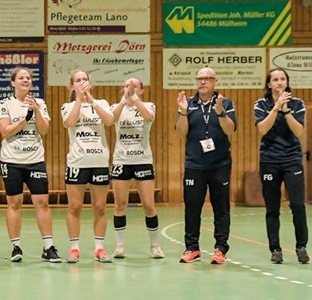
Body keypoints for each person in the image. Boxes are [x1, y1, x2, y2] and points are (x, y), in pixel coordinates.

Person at [0, 67, 62, 263]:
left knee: (42, 202)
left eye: (28, 78)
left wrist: (36, 111)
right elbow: (5, 131)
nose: (25, 80)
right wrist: (25, 119)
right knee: (14, 203)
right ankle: (15, 247)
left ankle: (48, 247)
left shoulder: (39, 102)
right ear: (13, 83)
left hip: (35, 160)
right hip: (12, 161)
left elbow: (44, 130)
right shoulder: (5, 104)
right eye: (21, 78)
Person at [175, 66, 236, 264]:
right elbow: (181, 132)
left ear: (215, 81)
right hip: (195, 164)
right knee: (192, 208)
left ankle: (221, 248)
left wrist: (221, 113)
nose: (203, 82)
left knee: (221, 207)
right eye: (200, 78)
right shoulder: (188, 103)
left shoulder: (225, 103)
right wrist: (183, 112)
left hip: (220, 164)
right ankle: (192, 248)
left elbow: (230, 130)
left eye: (207, 78)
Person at [254, 67, 309, 264]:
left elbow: (298, 131)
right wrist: (276, 107)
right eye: (275, 79)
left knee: (297, 205)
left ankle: (301, 246)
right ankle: (275, 249)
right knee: (272, 207)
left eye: (282, 79)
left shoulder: (297, 104)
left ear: (287, 82)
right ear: (269, 84)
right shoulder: (261, 104)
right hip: (269, 160)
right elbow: (262, 129)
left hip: (292, 160)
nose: (279, 82)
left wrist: (286, 110)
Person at [61, 69, 114, 263]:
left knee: (100, 206)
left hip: (99, 161)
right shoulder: (67, 106)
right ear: (72, 85)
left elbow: (109, 121)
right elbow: (70, 122)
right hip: (77, 162)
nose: (82, 82)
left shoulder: (101, 103)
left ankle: (99, 248)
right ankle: (74, 248)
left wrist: (90, 100)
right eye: (78, 80)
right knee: (75, 206)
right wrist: (79, 99)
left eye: (85, 79)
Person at [109, 77, 163, 259]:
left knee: (148, 205)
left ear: (141, 90)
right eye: (126, 85)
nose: (130, 88)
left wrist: (134, 99)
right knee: (120, 205)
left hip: (142, 160)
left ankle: (155, 245)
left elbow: (148, 117)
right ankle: (120, 246)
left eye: (134, 86)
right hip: (121, 161)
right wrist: (124, 99)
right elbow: (111, 119)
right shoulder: (117, 107)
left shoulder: (148, 105)